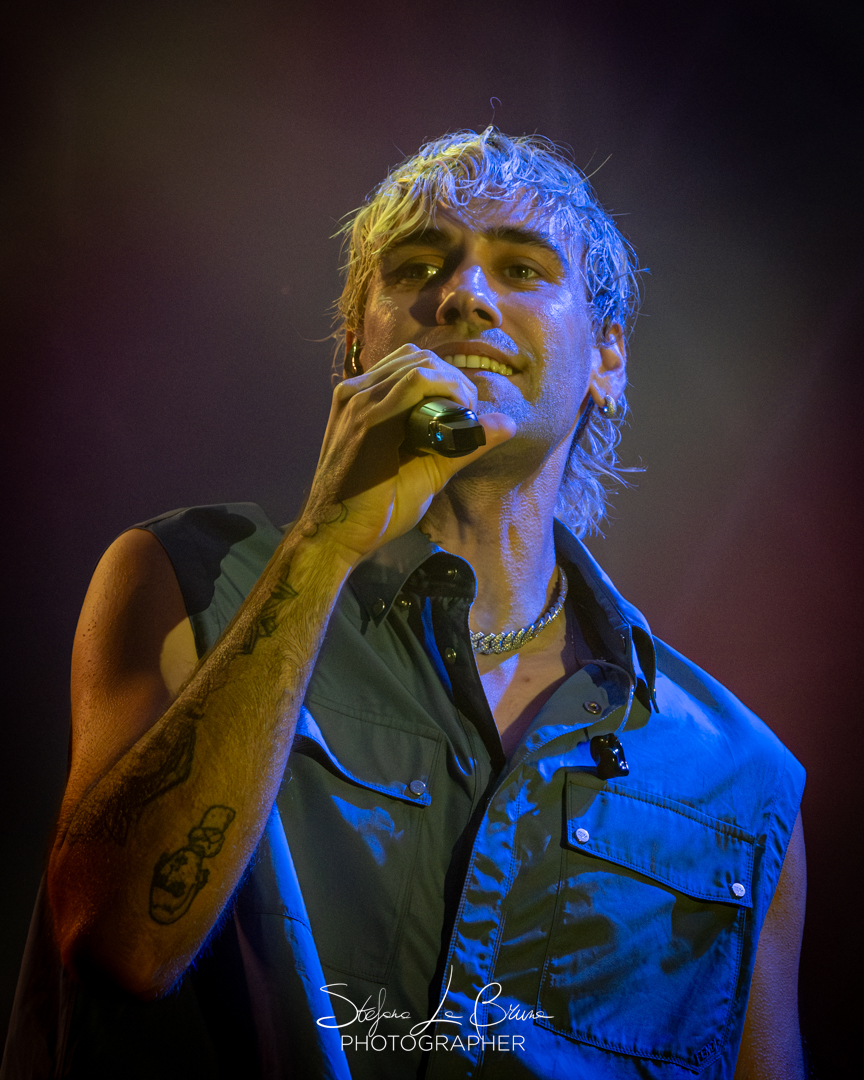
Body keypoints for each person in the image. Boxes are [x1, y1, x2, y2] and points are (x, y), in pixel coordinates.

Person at [1, 129, 806, 1080]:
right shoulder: (189, 583)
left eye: (521, 268)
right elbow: (118, 942)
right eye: (418, 267)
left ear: (607, 356)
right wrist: (324, 541)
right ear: (356, 343)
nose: (463, 295)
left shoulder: (741, 778)